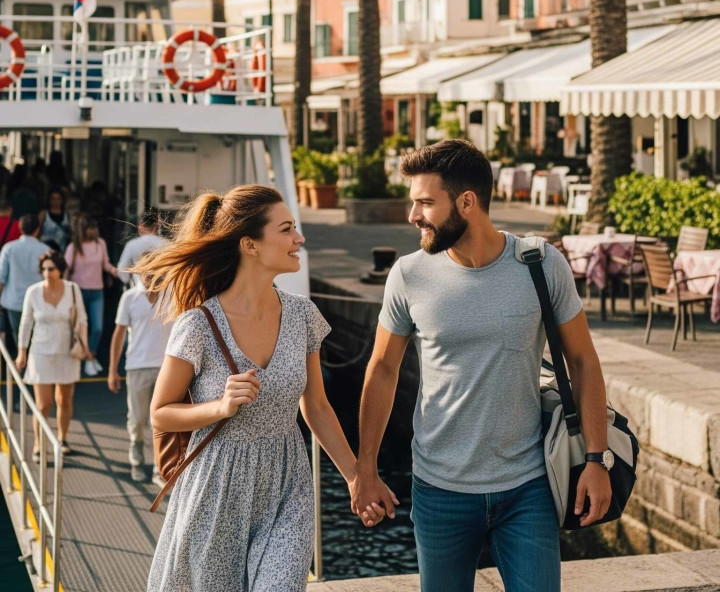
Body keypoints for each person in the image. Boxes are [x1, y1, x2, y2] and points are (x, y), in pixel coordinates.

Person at [352, 140, 612, 592]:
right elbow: (382, 370)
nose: (414, 215)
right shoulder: (409, 275)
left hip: (528, 487)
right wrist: (366, 468)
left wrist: (596, 459)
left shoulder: (541, 264)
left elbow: (584, 362)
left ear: (467, 202)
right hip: (438, 490)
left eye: (425, 202)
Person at [139, 185, 365, 592]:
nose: (300, 239)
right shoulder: (199, 325)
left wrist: (356, 477)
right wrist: (219, 407)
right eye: (286, 230)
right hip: (217, 489)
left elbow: (316, 407)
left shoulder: (303, 316)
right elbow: (160, 412)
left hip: (287, 482)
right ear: (250, 245)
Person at [15, 250, 91, 458]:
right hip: (40, 352)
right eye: (44, 269)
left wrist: (83, 344)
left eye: (51, 269)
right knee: (43, 403)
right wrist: (22, 352)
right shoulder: (33, 292)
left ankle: (62, 438)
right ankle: (39, 444)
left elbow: (82, 319)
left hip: (67, 351)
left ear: (60, 270)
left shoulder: (73, 290)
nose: (47, 273)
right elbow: (26, 323)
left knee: (64, 399)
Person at [108, 274, 173, 484]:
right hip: (137, 366)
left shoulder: (172, 295)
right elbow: (118, 334)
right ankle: (136, 461)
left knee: (162, 422)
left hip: (167, 368)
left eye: (155, 272)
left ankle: (159, 468)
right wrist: (112, 370)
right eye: (146, 273)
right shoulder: (129, 298)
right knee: (137, 419)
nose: (150, 277)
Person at [65, 214, 118, 377]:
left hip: (97, 290)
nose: (94, 231)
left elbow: (105, 264)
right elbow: (67, 269)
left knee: (97, 328)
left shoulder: (100, 244)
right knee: (79, 327)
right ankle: (82, 357)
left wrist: (114, 271)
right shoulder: (73, 247)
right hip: (77, 292)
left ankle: (90, 356)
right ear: (83, 229)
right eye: (90, 228)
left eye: (95, 227)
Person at [0, 213, 48, 358]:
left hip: (14, 302)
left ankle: (23, 370)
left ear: (20, 228)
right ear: (38, 229)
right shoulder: (45, 250)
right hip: (39, 303)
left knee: (19, 341)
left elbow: (1, 278)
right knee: (37, 340)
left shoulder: (9, 248)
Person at [116, 208, 165, 287]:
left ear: (141, 226)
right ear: (156, 226)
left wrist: (128, 280)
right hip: (161, 290)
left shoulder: (132, 245)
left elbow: (122, 268)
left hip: (138, 288)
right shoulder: (166, 244)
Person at [40, 188, 72, 252]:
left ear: (62, 200)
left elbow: (70, 232)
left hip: (62, 251)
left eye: (58, 199)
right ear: (49, 200)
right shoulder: (43, 214)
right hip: (46, 250)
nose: (56, 202)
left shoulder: (67, 215)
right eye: (53, 199)